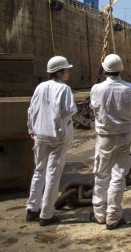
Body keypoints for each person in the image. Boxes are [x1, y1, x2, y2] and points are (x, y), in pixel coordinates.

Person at [26, 56, 76, 226]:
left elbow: (31, 109)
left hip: (40, 134)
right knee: (53, 175)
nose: (69, 72)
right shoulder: (64, 89)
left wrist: (31, 128)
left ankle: (32, 208)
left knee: (39, 171)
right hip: (57, 137)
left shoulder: (40, 87)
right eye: (66, 70)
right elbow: (69, 110)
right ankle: (47, 214)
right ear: (59, 72)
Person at [89, 54, 131, 229]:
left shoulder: (96, 89)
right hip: (124, 135)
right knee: (118, 176)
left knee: (101, 175)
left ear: (105, 69)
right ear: (120, 69)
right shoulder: (130, 88)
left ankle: (99, 214)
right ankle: (113, 216)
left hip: (105, 137)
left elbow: (94, 108)